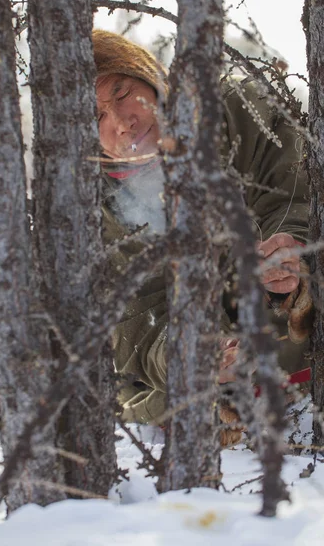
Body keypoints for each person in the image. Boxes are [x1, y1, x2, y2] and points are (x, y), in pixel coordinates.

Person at [93, 29, 313, 437]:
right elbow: (137, 328)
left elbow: (295, 194)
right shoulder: (95, 212)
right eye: (97, 116)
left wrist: (290, 249)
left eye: (121, 92)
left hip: (294, 309)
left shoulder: (238, 108)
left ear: (146, 74)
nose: (122, 121)